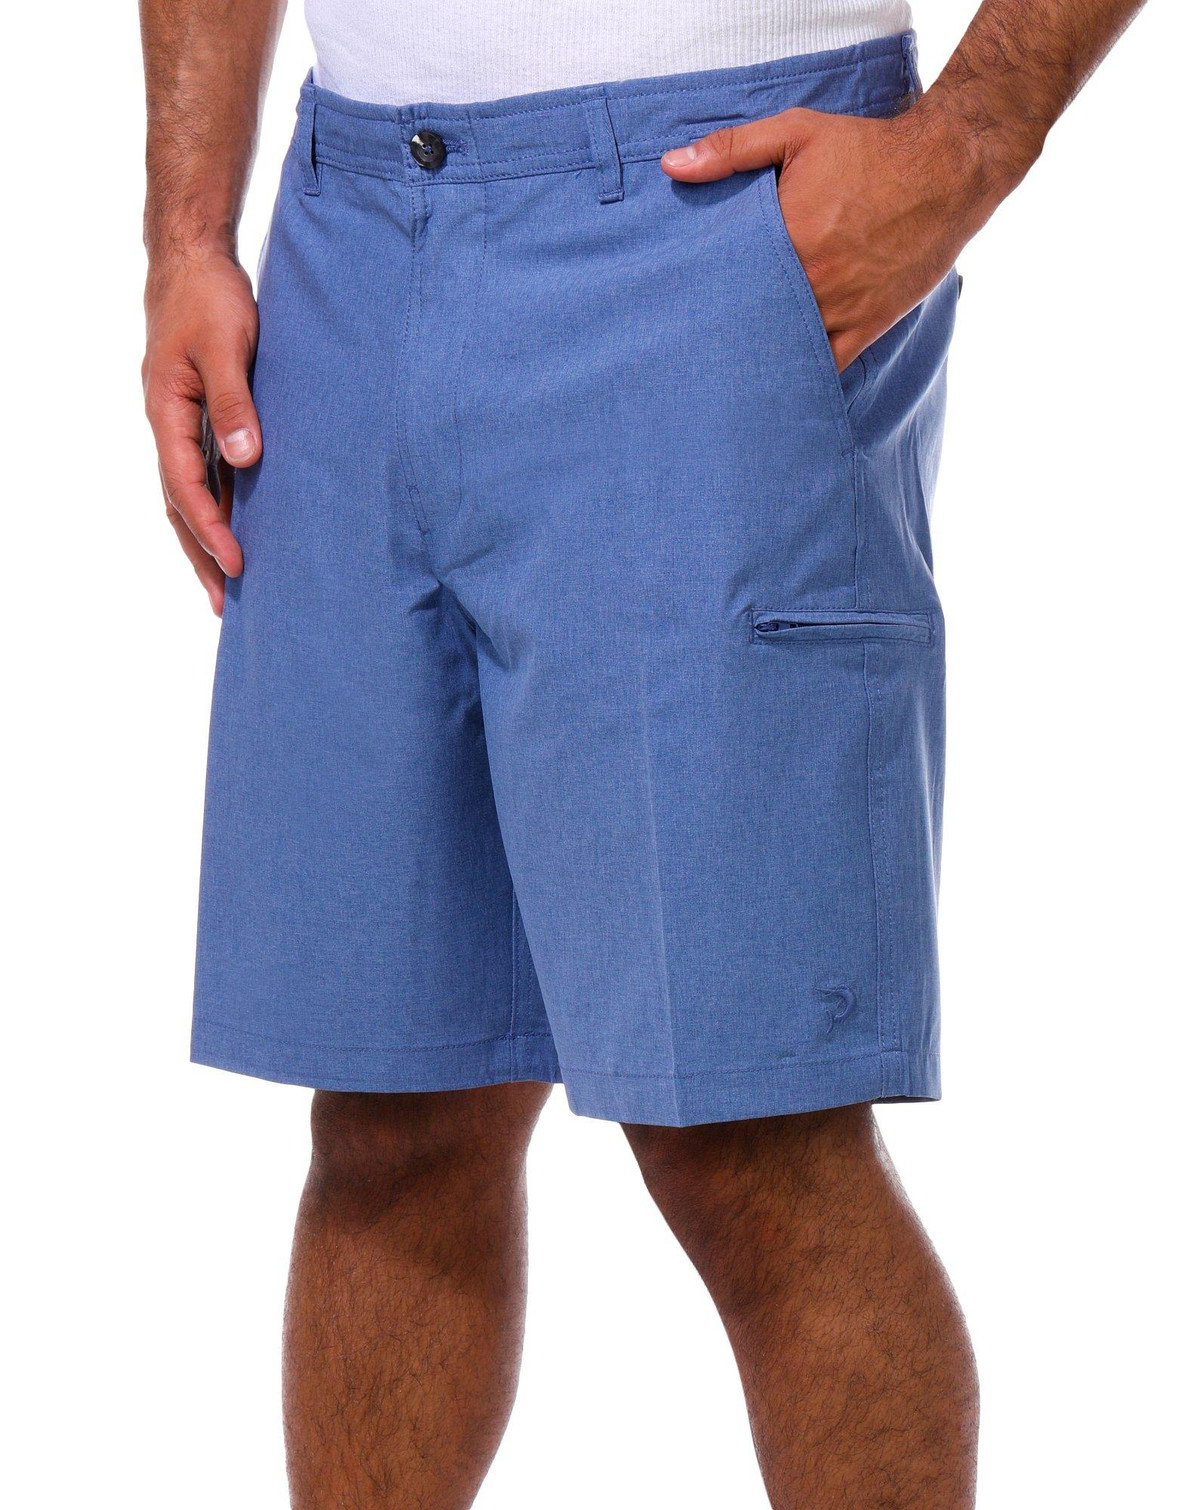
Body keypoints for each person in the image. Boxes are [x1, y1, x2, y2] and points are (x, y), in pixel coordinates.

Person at [139, 1, 1143, 1504]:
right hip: (344, 246)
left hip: (715, 203)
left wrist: (971, 138)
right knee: (392, 1118)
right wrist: (187, 231)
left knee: (752, 1136)